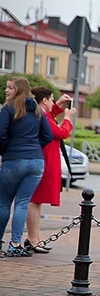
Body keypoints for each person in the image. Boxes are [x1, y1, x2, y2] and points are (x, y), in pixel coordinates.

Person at [0, 77, 53, 257]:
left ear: (18, 90)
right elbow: (47, 135)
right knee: (22, 203)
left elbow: (1, 134)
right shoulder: (38, 110)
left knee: (4, 202)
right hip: (36, 162)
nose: (7, 90)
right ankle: (15, 244)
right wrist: (34, 147)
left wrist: (6, 151)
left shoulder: (8, 109)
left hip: (13, 160)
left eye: (10, 87)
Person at [23, 88, 75, 253]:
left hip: (46, 160)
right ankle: (32, 238)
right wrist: (67, 118)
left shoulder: (42, 114)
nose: (53, 103)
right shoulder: (42, 116)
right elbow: (60, 132)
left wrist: (59, 105)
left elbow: (51, 117)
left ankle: (35, 237)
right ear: (44, 101)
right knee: (35, 200)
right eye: (52, 100)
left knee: (38, 201)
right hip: (43, 160)